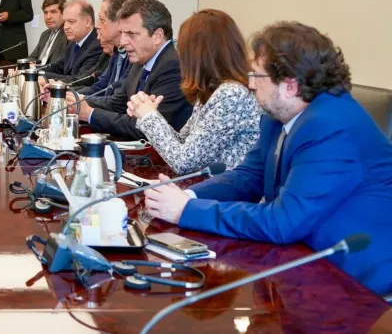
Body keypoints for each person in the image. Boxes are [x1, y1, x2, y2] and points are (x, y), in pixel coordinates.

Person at [144, 21, 392, 296]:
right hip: (303, 260)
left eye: (257, 76)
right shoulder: (280, 115)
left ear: (290, 86)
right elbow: (248, 176)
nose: (249, 84)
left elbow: (283, 222)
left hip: (354, 284)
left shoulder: (330, 128)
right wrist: (186, 198)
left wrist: (187, 212)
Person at [127, 9, 261, 174]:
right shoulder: (212, 90)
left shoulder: (232, 94)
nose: (179, 54)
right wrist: (148, 114)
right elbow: (183, 142)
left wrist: (149, 117)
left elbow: (185, 162)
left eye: (181, 47)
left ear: (197, 53)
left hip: (226, 194)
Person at [68, 0, 192, 140]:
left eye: (131, 34)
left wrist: (89, 113)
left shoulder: (173, 67)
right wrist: (74, 102)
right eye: (122, 33)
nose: (123, 41)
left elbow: (145, 128)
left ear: (157, 36)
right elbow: (117, 104)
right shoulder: (140, 60)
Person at [74, 0, 136, 100]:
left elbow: (118, 102)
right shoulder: (118, 51)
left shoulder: (134, 55)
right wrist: (63, 92)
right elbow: (98, 88)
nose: (97, 25)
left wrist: (79, 101)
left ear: (119, 23)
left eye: (102, 20)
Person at [38, 0, 103, 85]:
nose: (66, 27)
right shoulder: (74, 42)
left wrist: (45, 78)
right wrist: (34, 71)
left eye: (71, 22)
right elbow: (57, 66)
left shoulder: (97, 46)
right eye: (65, 22)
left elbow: (80, 79)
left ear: (87, 21)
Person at [26, 0, 68, 65]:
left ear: (63, 13)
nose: (48, 17)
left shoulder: (68, 34)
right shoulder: (45, 34)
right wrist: (27, 64)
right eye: (45, 12)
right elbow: (32, 57)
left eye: (53, 12)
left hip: (51, 74)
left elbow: (61, 64)